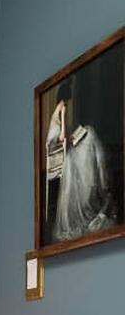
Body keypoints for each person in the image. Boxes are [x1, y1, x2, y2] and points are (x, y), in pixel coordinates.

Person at [44, 76, 117, 244]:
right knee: (86, 145)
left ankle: (99, 194)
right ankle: (93, 200)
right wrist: (65, 129)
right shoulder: (61, 109)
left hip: (70, 146)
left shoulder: (66, 111)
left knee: (89, 138)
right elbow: (60, 137)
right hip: (65, 152)